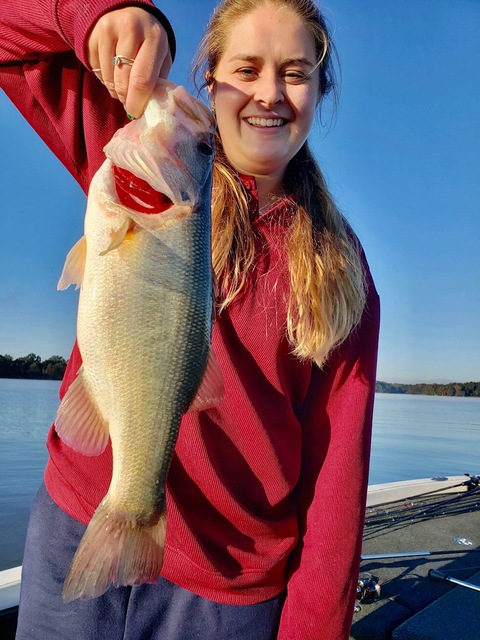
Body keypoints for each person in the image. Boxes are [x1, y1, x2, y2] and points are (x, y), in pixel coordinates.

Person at [0, 1, 380, 638]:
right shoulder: (135, 159)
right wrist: (102, 14)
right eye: (245, 68)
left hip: (226, 595)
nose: (268, 93)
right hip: (77, 524)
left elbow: (338, 482)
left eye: (294, 73)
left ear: (321, 91)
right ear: (208, 81)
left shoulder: (341, 270)